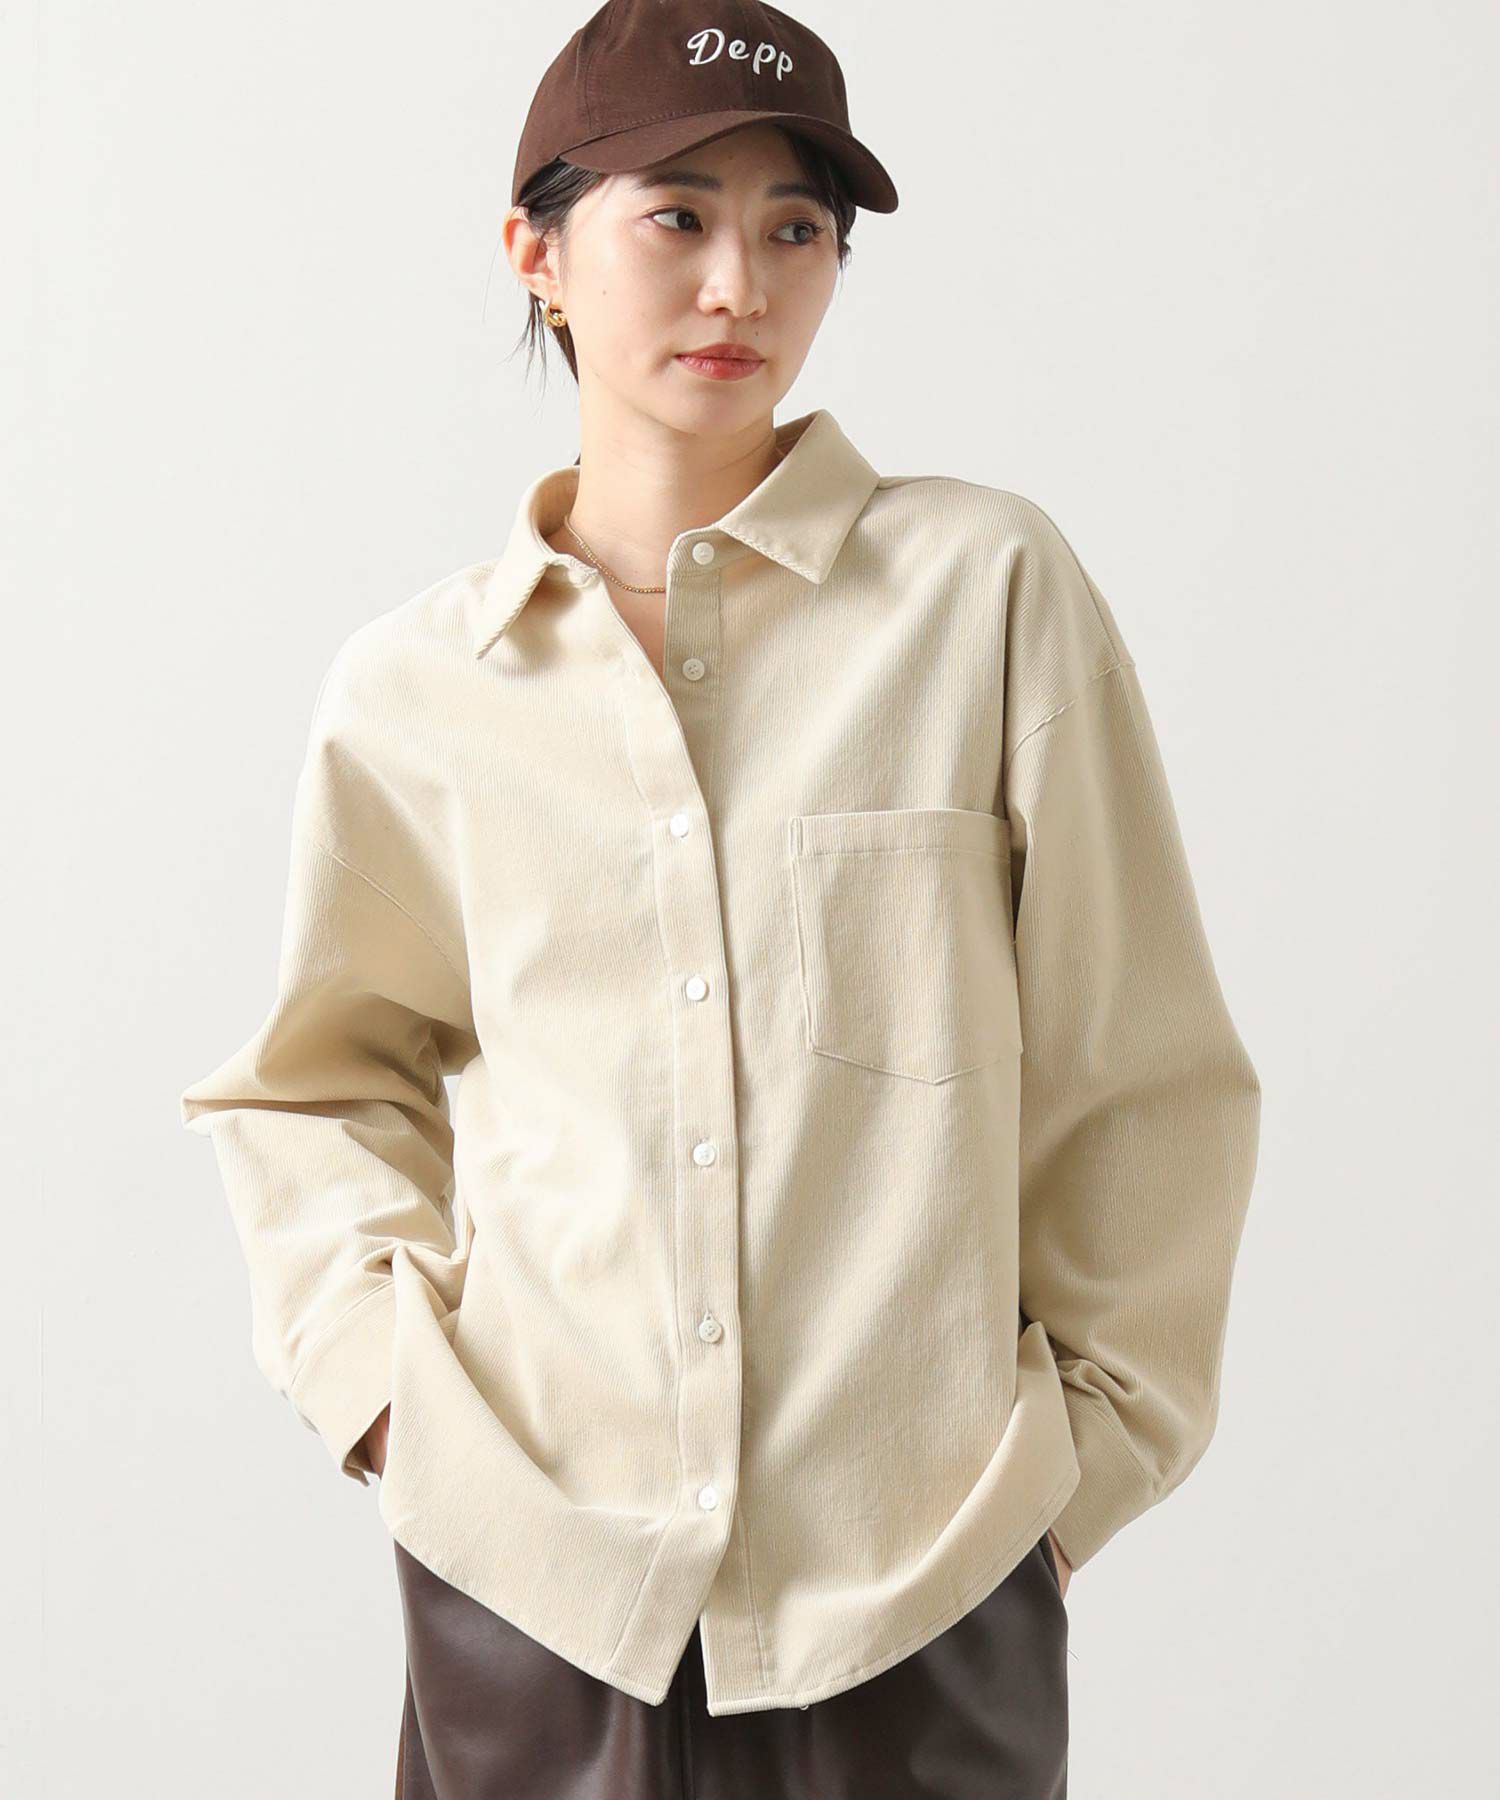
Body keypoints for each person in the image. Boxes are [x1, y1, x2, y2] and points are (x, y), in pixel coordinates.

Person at [179, 2, 1261, 1795]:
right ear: (535, 252)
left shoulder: (985, 594)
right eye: (676, 215)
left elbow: (1141, 1070)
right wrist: (391, 1409)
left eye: (796, 226)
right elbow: (312, 1088)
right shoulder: (419, 690)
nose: (740, 285)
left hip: (918, 1592)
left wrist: (1068, 1482)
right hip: (537, 1588)